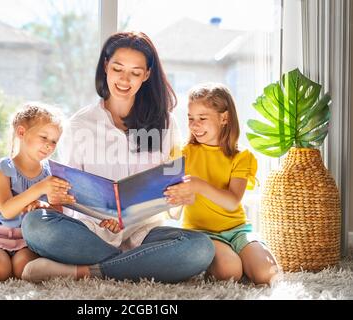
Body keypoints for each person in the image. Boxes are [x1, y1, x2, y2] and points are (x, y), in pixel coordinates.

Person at [21, 31, 215, 283]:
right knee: (35, 225)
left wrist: (182, 195)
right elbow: (66, 190)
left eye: (135, 72)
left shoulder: (165, 123)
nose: (125, 79)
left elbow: (172, 187)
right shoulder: (80, 124)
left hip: (146, 232)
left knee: (200, 248)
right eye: (118, 69)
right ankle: (139, 263)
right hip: (93, 232)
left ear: (146, 75)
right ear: (105, 67)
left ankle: (88, 271)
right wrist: (55, 199)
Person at [163, 83, 280, 285]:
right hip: (201, 234)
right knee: (230, 272)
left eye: (202, 118)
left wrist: (199, 185)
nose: (194, 125)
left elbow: (232, 202)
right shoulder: (182, 154)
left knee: (267, 274)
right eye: (190, 118)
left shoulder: (241, 156)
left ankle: (247, 256)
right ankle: (232, 262)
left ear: (224, 118)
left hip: (238, 230)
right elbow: (171, 207)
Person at [0, 102, 82, 282]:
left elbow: (58, 212)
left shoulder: (51, 172)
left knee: (23, 271)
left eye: (54, 141)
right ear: (21, 132)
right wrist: (40, 188)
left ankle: (9, 262)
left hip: (28, 238)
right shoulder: (2, 168)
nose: (49, 145)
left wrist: (44, 206)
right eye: (44, 137)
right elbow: (7, 210)